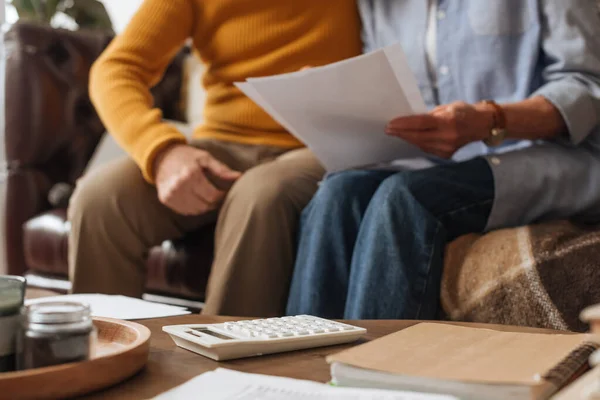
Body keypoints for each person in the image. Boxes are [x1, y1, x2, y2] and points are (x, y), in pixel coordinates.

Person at [286, 0, 600, 320]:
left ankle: (377, 365)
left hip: (553, 153)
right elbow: (388, 85)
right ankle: (298, 363)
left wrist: (489, 119)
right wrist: (337, 96)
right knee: (338, 194)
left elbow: (587, 87)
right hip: (433, 158)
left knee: (405, 197)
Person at [68, 0, 362, 316]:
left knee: (260, 195)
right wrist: (163, 152)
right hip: (223, 143)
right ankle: (106, 354)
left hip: (316, 143)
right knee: (101, 199)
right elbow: (115, 69)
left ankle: (224, 356)